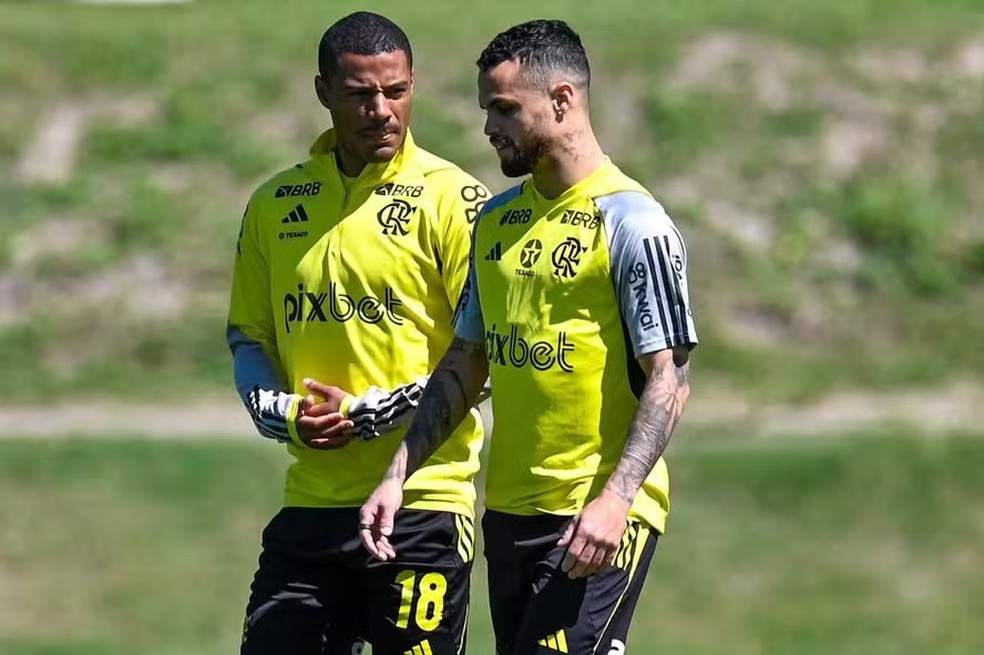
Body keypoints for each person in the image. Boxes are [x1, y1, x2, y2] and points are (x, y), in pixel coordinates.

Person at [361, 19, 698, 654]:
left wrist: (616, 500)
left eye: (505, 108)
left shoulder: (633, 222)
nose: (489, 126)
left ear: (563, 99)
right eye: (487, 108)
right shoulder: (495, 221)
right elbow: (465, 363)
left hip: (595, 518)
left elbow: (669, 380)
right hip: (511, 516)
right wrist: (397, 475)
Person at [227, 11, 489, 654]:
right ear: (323, 92)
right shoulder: (273, 204)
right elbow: (248, 338)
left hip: (421, 502)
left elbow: (484, 362)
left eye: (396, 92)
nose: (381, 110)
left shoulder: (455, 200)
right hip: (311, 503)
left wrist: (375, 413)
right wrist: (279, 411)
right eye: (360, 94)